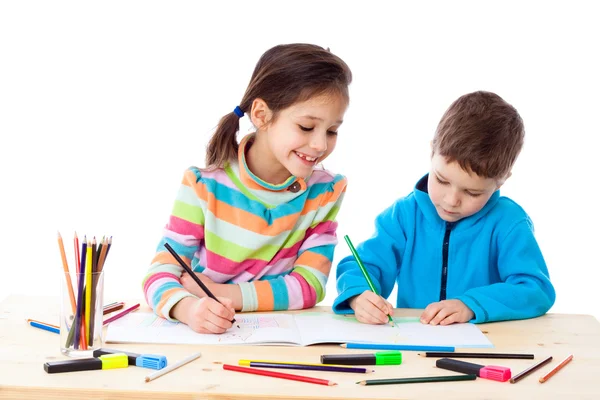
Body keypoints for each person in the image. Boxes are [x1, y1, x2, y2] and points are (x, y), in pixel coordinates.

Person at [143, 43, 352, 334]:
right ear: (261, 114)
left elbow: (310, 286)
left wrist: (222, 293)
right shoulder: (204, 186)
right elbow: (160, 273)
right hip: (207, 336)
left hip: (281, 340)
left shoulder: (325, 191)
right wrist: (189, 308)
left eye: (332, 131)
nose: (320, 144)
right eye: (306, 127)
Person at [334, 91, 555, 325]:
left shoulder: (509, 223)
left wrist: (472, 304)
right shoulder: (404, 215)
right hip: (414, 346)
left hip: (487, 346)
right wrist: (359, 295)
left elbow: (535, 289)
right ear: (432, 152)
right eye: (441, 180)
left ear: (501, 181)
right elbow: (364, 265)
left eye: (472, 192)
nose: (451, 201)